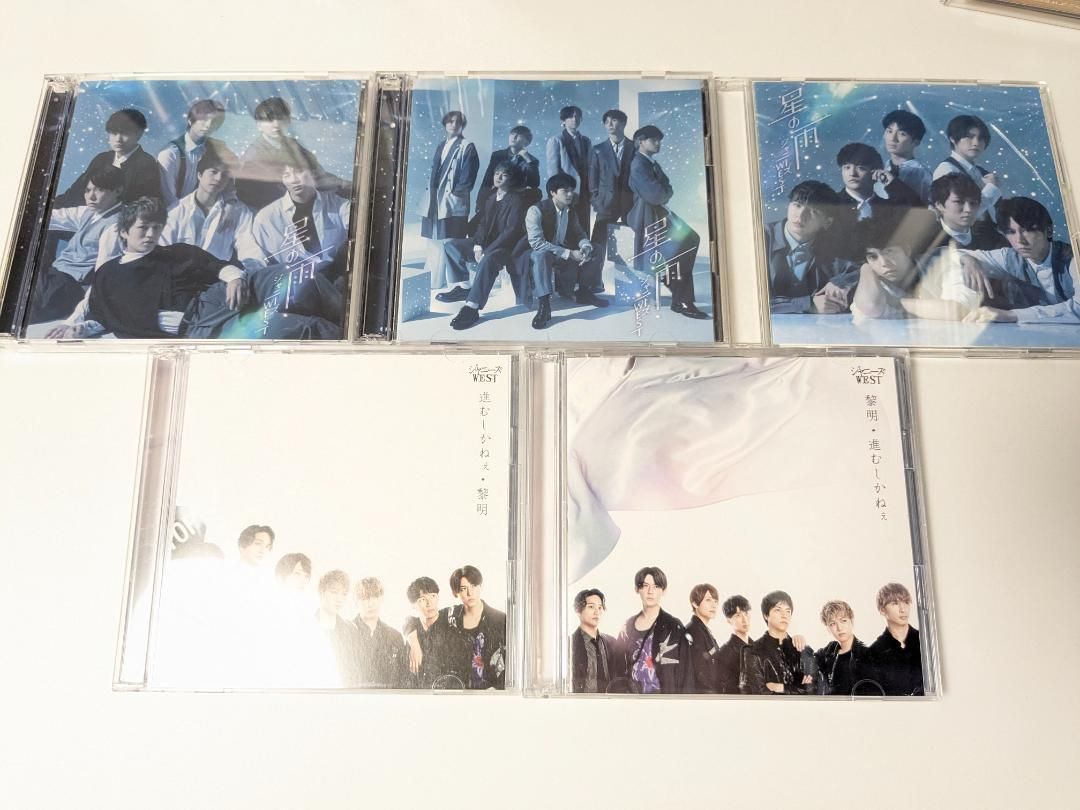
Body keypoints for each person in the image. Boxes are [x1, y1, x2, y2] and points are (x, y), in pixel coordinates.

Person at [44, 196, 248, 339]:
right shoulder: (108, 273)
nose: (151, 234)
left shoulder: (177, 253)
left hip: (215, 309)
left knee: (264, 283)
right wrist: (79, 327)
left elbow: (217, 266)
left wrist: (234, 278)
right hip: (193, 332)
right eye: (143, 227)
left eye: (156, 228)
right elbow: (103, 315)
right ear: (124, 232)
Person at [849, 208, 994, 322]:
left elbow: (959, 311)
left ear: (906, 250)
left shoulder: (943, 263)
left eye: (889, 252)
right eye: (873, 257)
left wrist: (900, 303)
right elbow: (870, 307)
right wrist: (865, 269)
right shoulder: (874, 282)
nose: (884, 263)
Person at [627, 125, 709, 319]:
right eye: (653, 140)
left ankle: (678, 292)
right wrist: (663, 192)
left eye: (659, 140)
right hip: (647, 217)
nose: (658, 143)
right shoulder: (638, 164)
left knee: (690, 239)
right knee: (687, 242)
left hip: (659, 213)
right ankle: (682, 299)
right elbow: (656, 195)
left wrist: (663, 192)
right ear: (640, 141)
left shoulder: (651, 163)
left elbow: (668, 188)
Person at [433, 162, 528, 331]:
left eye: (504, 174)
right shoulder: (491, 198)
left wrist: (487, 251)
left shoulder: (516, 200)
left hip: (506, 248)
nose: (499, 177)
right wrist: (478, 245)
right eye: (497, 173)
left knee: (489, 259)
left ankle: (472, 307)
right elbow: (483, 225)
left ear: (511, 179)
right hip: (486, 244)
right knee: (451, 245)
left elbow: (511, 231)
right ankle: (464, 288)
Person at [961, 197, 1079, 324]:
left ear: (1048, 231)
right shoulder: (1010, 257)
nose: (1019, 240)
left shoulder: (1073, 258)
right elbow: (948, 253)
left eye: (1027, 230)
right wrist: (968, 259)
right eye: (1011, 232)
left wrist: (1011, 315)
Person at [29, 167, 124, 322]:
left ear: (118, 190)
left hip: (71, 287)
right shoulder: (88, 212)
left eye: (100, 190)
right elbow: (51, 217)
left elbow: (104, 272)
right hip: (54, 277)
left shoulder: (116, 225)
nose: (91, 196)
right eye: (88, 190)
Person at [235, 97, 349, 211]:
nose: (276, 124)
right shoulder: (253, 157)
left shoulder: (292, 144)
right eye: (269, 120)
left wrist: (342, 185)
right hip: (279, 209)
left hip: (308, 197)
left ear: (288, 121)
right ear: (258, 125)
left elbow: (317, 172)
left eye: (280, 118)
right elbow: (262, 196)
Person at [519, 173, 600, 330]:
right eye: (565, 191)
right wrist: (569, 253)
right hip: (536, 254)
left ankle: (583, 291)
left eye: (571, 190)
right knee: (541, 255)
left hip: (560, 252)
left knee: (596, 249)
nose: (570, 194)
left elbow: (579, 233)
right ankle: (544, 306)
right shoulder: (535, 210)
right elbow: (537, 243)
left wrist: (585, 246)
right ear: (553, 192)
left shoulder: (570, 211)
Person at [764, 179, 857, 314]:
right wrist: (809, 304)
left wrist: (841, 281)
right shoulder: (760, 237)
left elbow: (864, 268)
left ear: (827, 222)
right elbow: (749, 298)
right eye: (797, 205)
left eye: (814, 211)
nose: (801, 216)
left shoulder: (833, 245)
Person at [161, 148, 262, 270]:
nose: (218, 178)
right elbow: (162, 251)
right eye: (213, 172)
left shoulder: (239, 212)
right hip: (179, 276)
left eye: (225, 175)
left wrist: (252, 274)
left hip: (219, 277)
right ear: (199, 175)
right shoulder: (175, 212)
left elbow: (249, 248)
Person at [826, 142, 921, 263]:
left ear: (875, 172)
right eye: (847, 167)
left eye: (861, 168)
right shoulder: (831, 205)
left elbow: (918, 211)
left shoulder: (886, 207)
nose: (852, 173)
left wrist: (892, 183)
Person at [55, 108, 163, 206]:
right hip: (86, 215)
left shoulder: (146, 164)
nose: (118, 139)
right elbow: (76, 192)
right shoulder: (102, 158)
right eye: (114, 133)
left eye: (125, 134)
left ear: (138, 134)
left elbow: (145, 206)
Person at [616, 566, 693, 694]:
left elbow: (687, 672)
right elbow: (618, 668)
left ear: (663, 591)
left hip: (665, 699)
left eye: (656, 586)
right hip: (633, 700)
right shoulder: (627, 627)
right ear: (637, 589)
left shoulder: (673, 626)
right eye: (645, 586)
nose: (650, 591)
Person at [157, 99, 232, 209]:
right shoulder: (170, 153)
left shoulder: (218, 148)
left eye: (214, 122)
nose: (208, 125)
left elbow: (230, 182)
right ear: (190, 120)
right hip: (175, 213)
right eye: (204, 120)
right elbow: (169, 199)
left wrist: (230, 201)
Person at [420, 110, 480, 242]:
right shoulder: (441, 145)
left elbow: (468, 177)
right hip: (436, 197)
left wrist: (455, 193)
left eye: (458, 122)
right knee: (435, 237)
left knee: (452, 239)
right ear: (445, 124)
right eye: (450, 121)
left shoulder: (467, 146)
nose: (454, 125)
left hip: (452, 199)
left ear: (462, 125)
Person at [588, 108, 635, 269]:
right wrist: (596, 201)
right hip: (605, 204)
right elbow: (592, 179)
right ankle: (591, 281)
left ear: (623, 123)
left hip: (630, 205)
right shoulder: (598, 149)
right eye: (607, 122)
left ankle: (629, 281)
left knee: (630, 244)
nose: (610, 125)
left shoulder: (634, 147)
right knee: (598, 244)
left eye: (614, 121)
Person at [745, 590, 816, 695]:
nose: (784, 615)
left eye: (788, 611)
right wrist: (799, 688)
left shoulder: (802, 649)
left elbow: (814, 689)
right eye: (778, 610)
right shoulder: (753, 651)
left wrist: (781, 688)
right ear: (766, 615)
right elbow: (759, 693)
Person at [933, 114, 1001, 222]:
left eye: (981, 138)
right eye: (969, 137)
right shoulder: (947, 170)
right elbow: (958, 215)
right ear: (953, 139)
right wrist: (991, 189)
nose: (976, 143)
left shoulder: (981, 172)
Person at [447, 565, 506, 690]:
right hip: (458, 691)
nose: (470, 593)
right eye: (463, 589)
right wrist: (412, 639)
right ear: (456, 592)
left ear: (481, 586)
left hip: (491, 691)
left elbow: (512, 659)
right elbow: (420, 619)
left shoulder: (500, 619)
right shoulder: (451, 615)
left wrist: (498, 688)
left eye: (473, 586)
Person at [402, 576, 467, 689]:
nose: (429, 603)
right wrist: (414, 644)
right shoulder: (413, 628)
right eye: (422, 599)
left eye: (433, 596)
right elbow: (406, 620)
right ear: (413, 605)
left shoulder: (449, 620)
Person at [815, 600, 881, 697]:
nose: (839, 628)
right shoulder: (827, 653)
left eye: (843, 621)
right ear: (828, 628)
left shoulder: (866, 655)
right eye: (833, 624)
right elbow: (808, 662)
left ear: (851, 621)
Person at [868, 582, 924, 696]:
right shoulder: (873, 652)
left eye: (906, 602)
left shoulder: (925, 642)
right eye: (895, 603)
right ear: (882, 610)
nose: (903, 609)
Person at [352, 577, 406, 689]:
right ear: (356, 602)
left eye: (375, 597)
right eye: (365, 598)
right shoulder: (347, 632)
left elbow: (402, 679)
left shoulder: (395, 636)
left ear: (381, 599)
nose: (370, 604)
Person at [546, 105, 591, 231]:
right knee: (565, 227)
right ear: (563, 120)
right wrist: (557, 194)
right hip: (565, 192)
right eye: (570, 117)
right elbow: (553, 172)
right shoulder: (556, 140)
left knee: (583, 226)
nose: (574, 119)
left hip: (584, 192)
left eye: (577, 116)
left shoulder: (586, 141)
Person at [476, 125, 541, 212]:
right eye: (512, 134)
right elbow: (487, 180)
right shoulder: (497, 155)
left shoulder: (531, 160)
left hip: (515, 201)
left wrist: (528, 160)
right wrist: (480, 202)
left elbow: (534, 184)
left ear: (526, 142)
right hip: (495, 197)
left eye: (518, 135)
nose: (514, 137)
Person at [569, 588, 622, 694]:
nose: (597, 612)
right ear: (578, 611)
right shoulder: (569, 645)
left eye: (600, 607)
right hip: (580, 702)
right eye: (591, 607)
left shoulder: (612, 643)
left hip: (609, 701)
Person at [315, 570, 362, 688]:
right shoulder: (306, 624)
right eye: (334, 592)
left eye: (344, 594)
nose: (339, 599)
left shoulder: (351, 630)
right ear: (322, 592)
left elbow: (355, 673)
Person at [881, 109, 933, 205]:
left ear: (916, 142)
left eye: (902, 134)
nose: (892, 138)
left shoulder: (922, 175)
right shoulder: (883, 168)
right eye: (889, 131)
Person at [685, 583, 723, 694]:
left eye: (715, 601)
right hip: (704, 696)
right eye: (708, 600)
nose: (714, 605)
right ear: (695, 603)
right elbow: (701, 675)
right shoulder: (694, 631)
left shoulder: (702, 630)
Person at [715, 594, 753, 695]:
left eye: (746, 613)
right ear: (728, 620)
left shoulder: (759, 647)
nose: (745, 619)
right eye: (738, 615)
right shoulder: (723, 654)